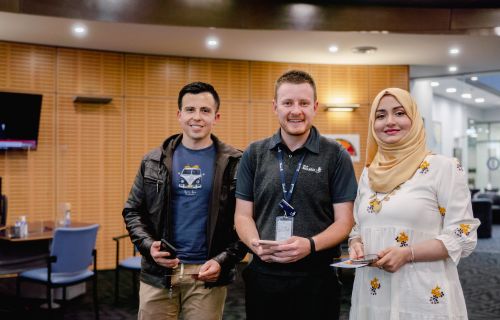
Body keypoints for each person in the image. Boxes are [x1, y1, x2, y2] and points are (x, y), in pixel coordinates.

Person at [234, 70, 358, 320]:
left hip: (317, 276)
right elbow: (242, 215)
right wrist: (256, 246)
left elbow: (345, 221)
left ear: (315, 107)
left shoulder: (336, 155)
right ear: (275, 106)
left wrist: (310, 245)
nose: (296, 110)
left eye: (303, 103)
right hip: (264, 274)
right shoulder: (254, 153)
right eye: (287, 102)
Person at [348, 87, 480, 319]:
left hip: (421, 294)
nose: (389, 121)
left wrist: (408, 253)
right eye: (380, 115)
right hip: (373, 294)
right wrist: (356, 243)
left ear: (415, 118)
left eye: (400, 113)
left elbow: (463, 234)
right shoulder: (369, 173)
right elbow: (358, 227)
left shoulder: (444, 167)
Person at [122, 81, 247, 320]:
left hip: (206, 274)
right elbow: (133, 211)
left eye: (205, 110)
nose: (197, 117)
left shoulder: (236, 163)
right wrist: (149, 247)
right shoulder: (153, 160)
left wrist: (223, 261)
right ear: (179, 115)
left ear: (216, 117)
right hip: (159, 274)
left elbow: (247, 220)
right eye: (190, 110)